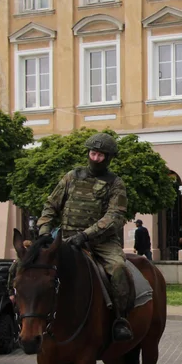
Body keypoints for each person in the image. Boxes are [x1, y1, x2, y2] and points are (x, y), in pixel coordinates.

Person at [37, 133, 133, 342]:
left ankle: (120, 319)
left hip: (102, 243)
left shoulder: (115, 183)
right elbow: (51, 205)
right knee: (30, 266)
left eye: (100, 155)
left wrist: (85, 235)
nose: (95, 158)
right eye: (93, 153)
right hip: (65, 238)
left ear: (109, 158)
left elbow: (114, 217)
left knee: (118, 270)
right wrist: (44, 230)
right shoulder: (72, 177)